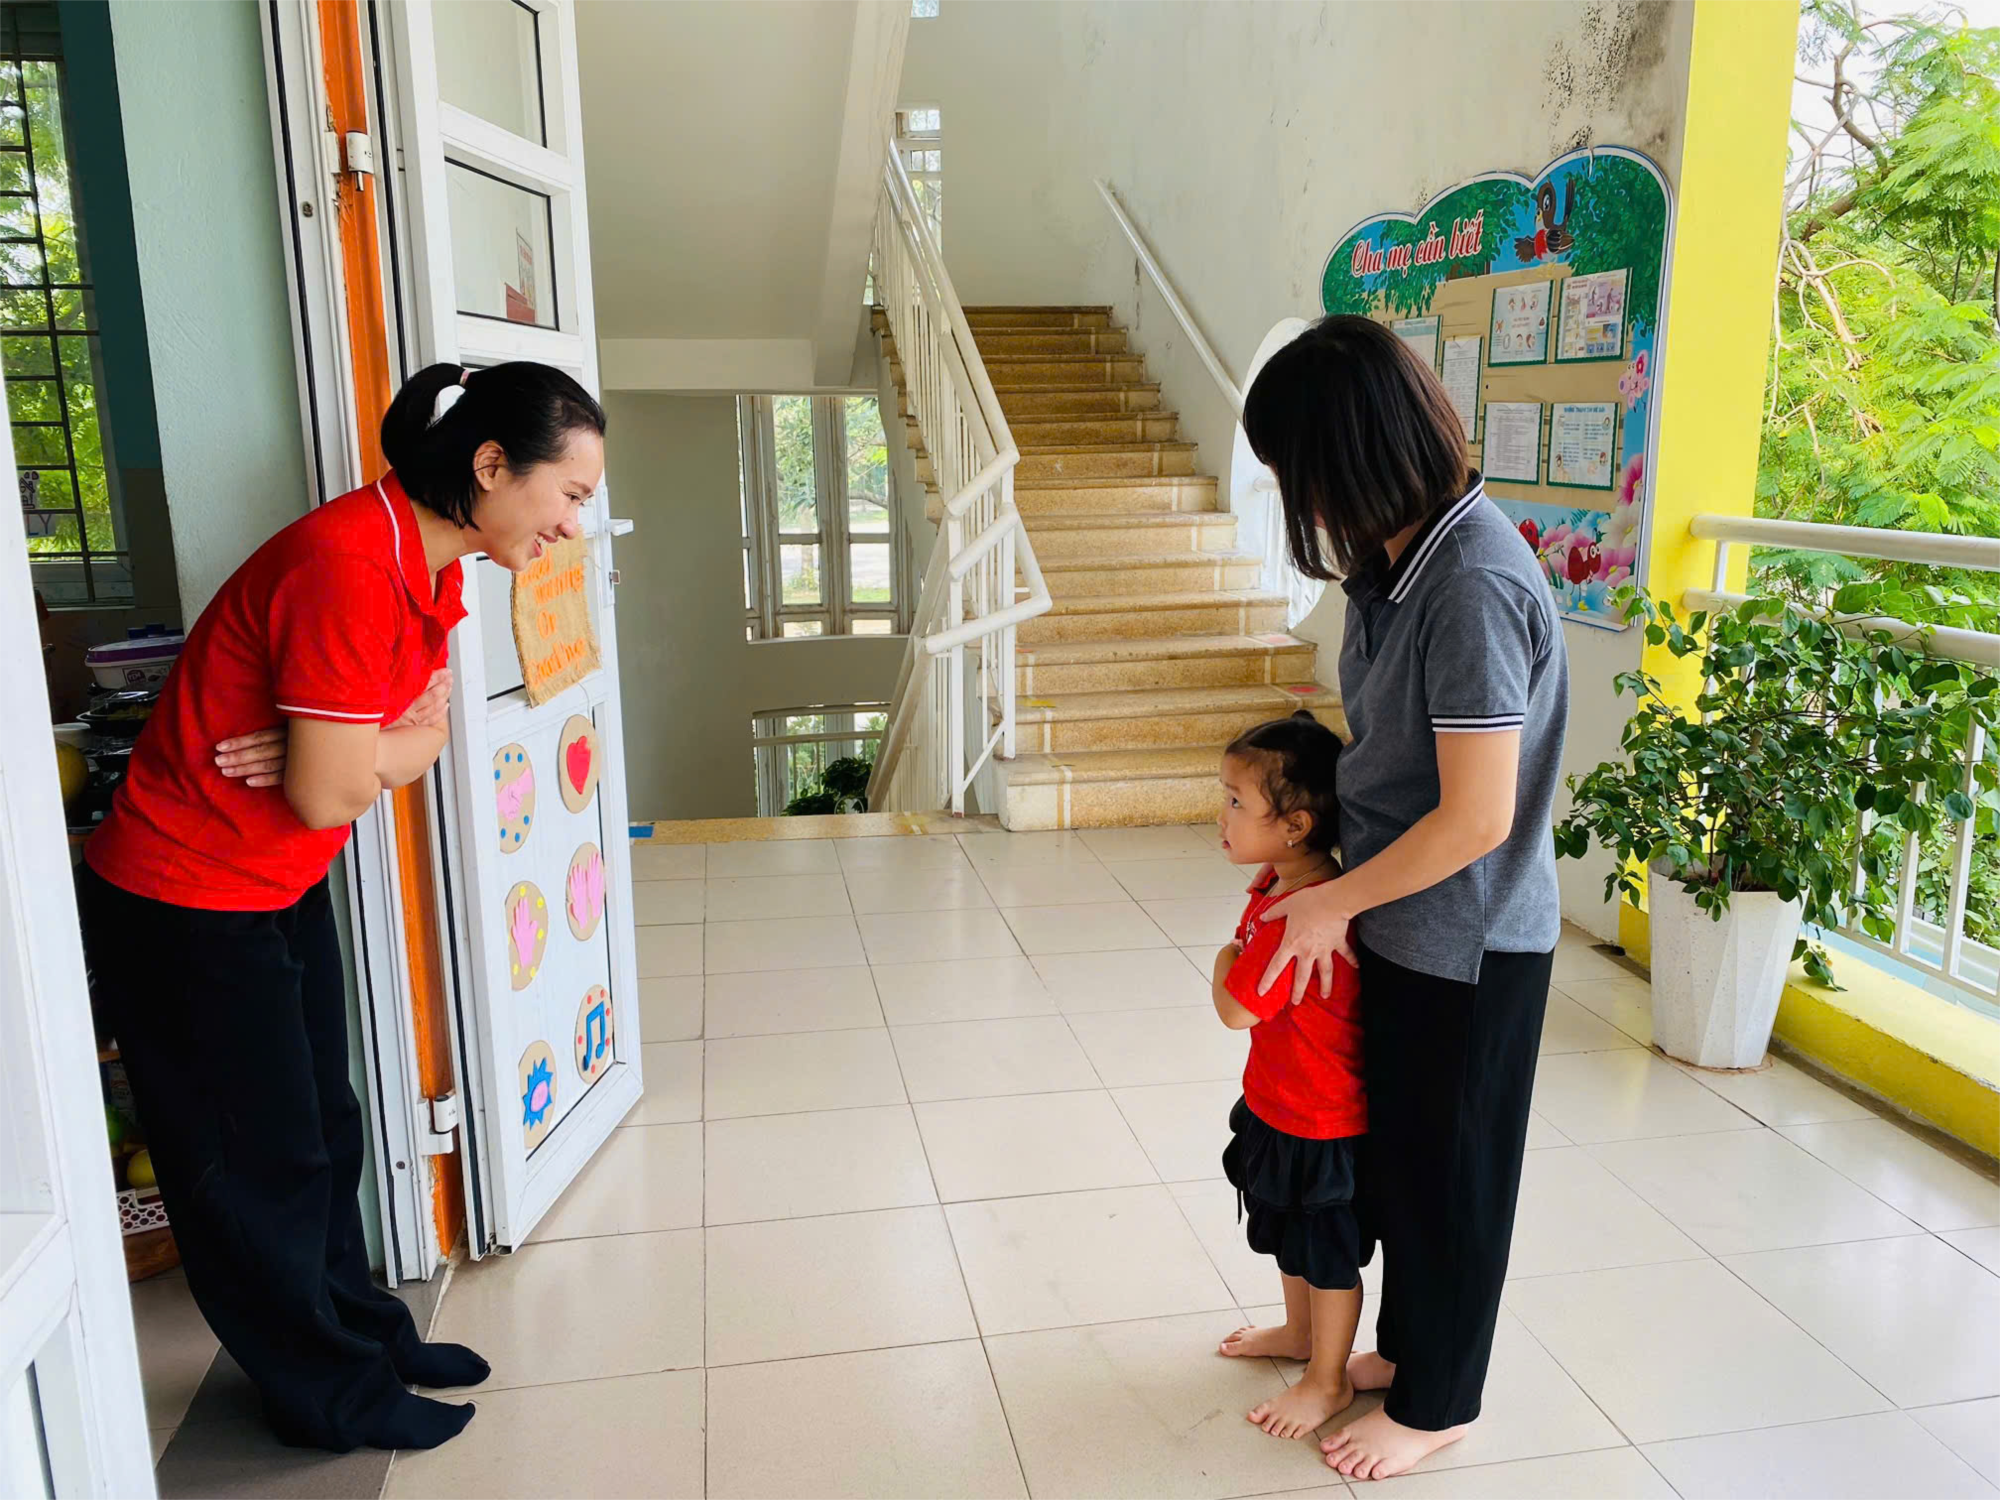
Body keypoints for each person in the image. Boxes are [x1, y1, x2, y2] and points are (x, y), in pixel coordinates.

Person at [79, 362, 607, 1452]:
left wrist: (350, 744)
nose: (572, 525)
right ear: (491, 465)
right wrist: (362, 748)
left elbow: (420, 738)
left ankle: (365, 1337)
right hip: (187, 899)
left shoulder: (432, 568)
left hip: (271, 880)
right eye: (568, 494)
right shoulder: (351, 566)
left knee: (323, 1128)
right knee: (255, 1164)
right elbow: (334, 789)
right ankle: (326, 1397)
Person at [1241, 316, 1569, 1481]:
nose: (1298, 498)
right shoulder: (1395, 562)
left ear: (1349, 456)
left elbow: (1476, 818)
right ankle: (1399, 1351)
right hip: (1398, 919)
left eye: (1295, 470)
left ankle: (1438, 1404)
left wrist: (1330, 905)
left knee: (1449, 1183)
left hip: (1466, 944)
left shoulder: (1469, 581)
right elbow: (1400, 758)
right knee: (1394, 1166)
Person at [1207, 712, 1369, 1443]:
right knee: (1286, 1232)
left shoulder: (1295, 915)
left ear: (1296, 825)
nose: (1222, 815)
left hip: (1322, 1119)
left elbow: (1236, 1008)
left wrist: (1222, 960)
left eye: (1236, 801)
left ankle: (1329, 1379)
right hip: (1280, 1102)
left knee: (1326, 1256)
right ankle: (1300, 1335)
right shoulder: (1283, 881)